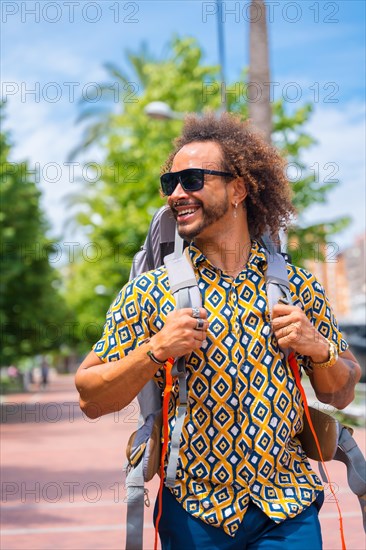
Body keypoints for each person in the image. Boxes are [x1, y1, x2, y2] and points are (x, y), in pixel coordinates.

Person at [75, 112, 361, 549]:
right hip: (192, 511)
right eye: (168, 183)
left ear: (238, 189)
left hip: (287, 507)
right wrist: (155, 349)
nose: (176, 194)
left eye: (191, 180)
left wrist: (318, 349)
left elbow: (340, 394)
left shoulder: (297, 287)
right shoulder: (150, 292)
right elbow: (90, 395)